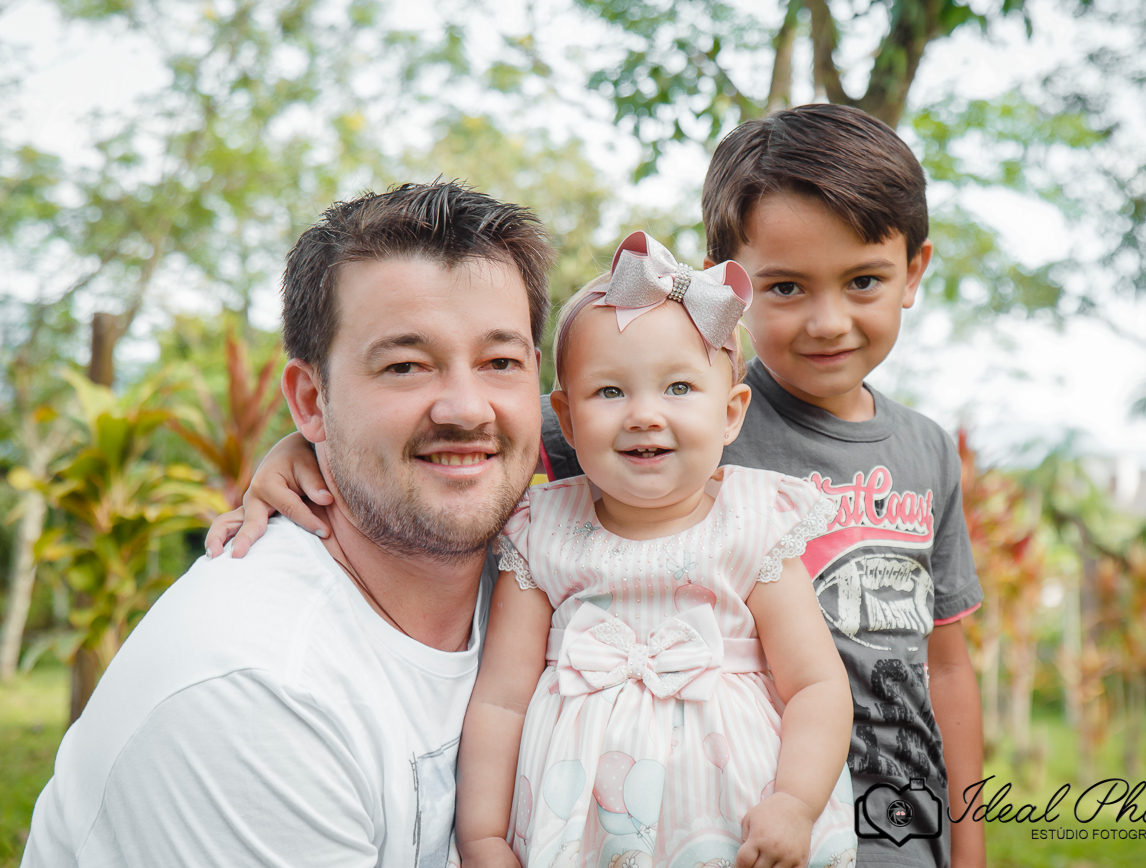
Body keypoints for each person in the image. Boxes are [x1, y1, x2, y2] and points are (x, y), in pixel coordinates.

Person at [212, 104, 986, 868]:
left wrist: (970, 844)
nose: (826, 322)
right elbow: (473, 446)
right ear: (734, 284)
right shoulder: (665, 421)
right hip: (702, 813)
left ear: (912, 272)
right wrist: (303, 447)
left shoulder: (923, 451)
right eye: (785, 288)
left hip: (879, 823)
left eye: (861, 281)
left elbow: (946, 667)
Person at [22, 181, 555, 868]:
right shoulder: (255, 687)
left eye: (500, 363)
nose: (465, 408)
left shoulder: (558, 572)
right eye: (405, 366)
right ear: (310, 400)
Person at [456, 230, 858, 868]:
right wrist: (480, 836)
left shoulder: (752, 524)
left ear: (730, 413)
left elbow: (816, 685)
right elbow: (501, 699)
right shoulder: (542, 531)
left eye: (678, 389)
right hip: (576, 821)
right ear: (564, 413)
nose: (645, 414)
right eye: (610, 392)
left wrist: (796, 803)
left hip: (736, 818)